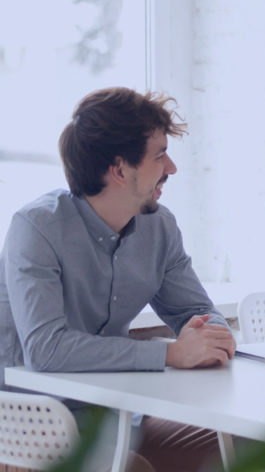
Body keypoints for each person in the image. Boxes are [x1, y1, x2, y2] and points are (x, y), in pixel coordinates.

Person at [0, 87, 236, 471]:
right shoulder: (36, 228)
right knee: (133, 468)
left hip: (114, 412)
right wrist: (172, 353)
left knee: (236, 445)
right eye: (159, 155)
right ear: (120, 169)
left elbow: (197, 311)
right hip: (28, 424)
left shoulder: (159, 227)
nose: (172, 168)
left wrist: (213, 338)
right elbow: (45, 349)